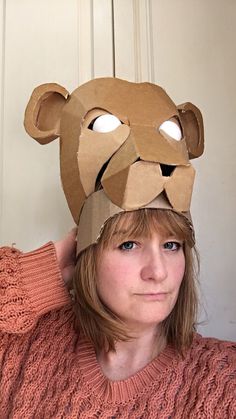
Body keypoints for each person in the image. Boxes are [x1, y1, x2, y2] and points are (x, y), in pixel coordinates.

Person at [1, 77, 235, 417]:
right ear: (87, 251)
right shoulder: (26, 348)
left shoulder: (219, 379)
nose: (158, 272)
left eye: (171, 245)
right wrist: (41, 271)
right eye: (128, 244)